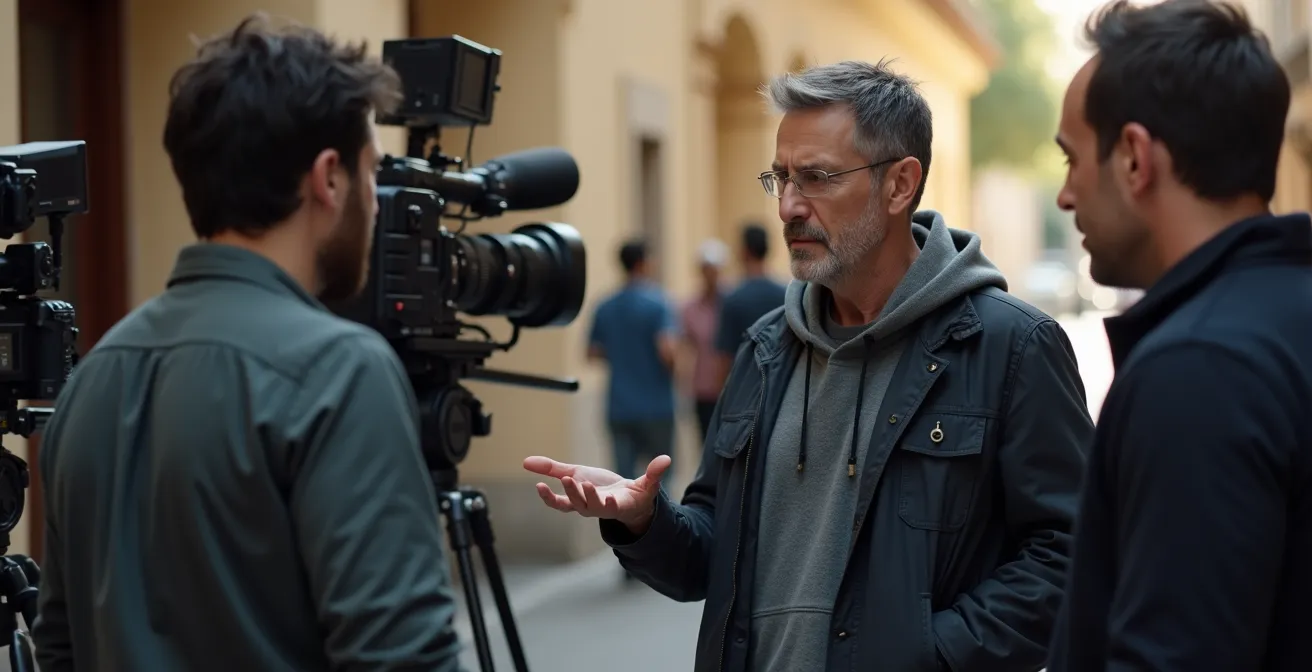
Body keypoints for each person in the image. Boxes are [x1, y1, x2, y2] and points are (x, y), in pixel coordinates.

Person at [526, 60, 1091, 671]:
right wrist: (644, 522)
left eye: (817, 177)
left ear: (900, 185)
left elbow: (1072, 556)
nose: (789, 206)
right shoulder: (766, 348)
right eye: (780, 178)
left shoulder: (1012, 346)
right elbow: (708, 559)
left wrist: (933, 656)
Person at [31, 15, 463, 672]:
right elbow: (404, 660)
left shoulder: (90, 378)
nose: (377, 203)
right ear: (328, 178)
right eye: (373, 173)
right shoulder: (342, 372)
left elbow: (59, 648)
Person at [1046, 2, 1312, 670]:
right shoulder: (1279, 323)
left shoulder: (1199, 370)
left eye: (1072, 159)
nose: (1066, 195)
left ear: (1135, 158)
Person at [587, 239, 679, 484]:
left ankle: (625, 523)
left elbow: (592, 352)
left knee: (622, 481)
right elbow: (667, 350)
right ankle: (661, 523)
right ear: (643, 263)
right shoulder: (658, 303)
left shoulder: (605, 306)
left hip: (620, 405)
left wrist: (622, 353)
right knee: (660, 480)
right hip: (656, 406)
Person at [712, 222, 786, 384]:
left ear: (745, 251)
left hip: (745, 388)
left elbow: (724, 357)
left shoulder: (733, 299)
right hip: (781, 384)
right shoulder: (786, 295)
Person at [681, 239, 729, 440]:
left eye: (714, 269)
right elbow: (682, 348)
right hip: (703, 391)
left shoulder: (733, 305)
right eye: (706, 269)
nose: (711, 275)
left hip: (731, 389)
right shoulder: (689, 309)